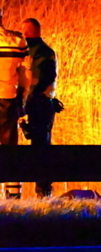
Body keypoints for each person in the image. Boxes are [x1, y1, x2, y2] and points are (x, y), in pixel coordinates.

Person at [20, 18, 59, 198]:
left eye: (24, 32)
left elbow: (42, 79)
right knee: (41, 143)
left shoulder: (38, 52)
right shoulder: (43, 51)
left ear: (28, 32)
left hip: (40, 103)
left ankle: (42, 190)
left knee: (40, 145)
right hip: (41, 102)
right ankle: (42, 189)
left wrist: (28, 100)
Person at [0, 9, 30, 200]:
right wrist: (22, 97)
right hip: (7, 98)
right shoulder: (17, 41)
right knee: (10, 147)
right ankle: (13, 194)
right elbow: (25, 73)